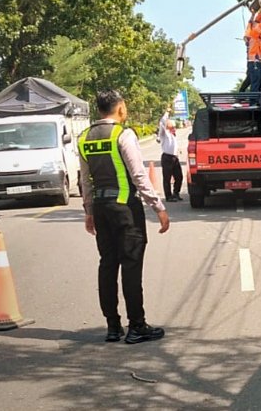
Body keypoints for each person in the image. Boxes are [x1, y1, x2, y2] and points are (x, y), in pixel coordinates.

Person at [79, 90, 170, 344]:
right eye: (125, 105)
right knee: (131, 265)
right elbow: (139, 176)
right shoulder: (123, 134)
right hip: (125, 209)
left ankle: (112, 326)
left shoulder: (84, 137)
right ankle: (137, 326)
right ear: (119, 108)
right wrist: (158, 207)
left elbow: (85, 180)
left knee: (107, 264)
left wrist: (88, 212)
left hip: (100, 208)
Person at [244, 7, 261, 99]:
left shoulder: (251, 31)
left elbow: (256, 20)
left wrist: (260, 10)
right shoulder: (254, 33)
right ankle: (253, 102)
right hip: (254, 63)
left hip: (257, 63)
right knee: (255, 83)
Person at [158, 114, 183, 202]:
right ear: (168, 127)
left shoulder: (173, 135)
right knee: (167, 178)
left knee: (179, 177)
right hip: (167, 158)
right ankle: (168, 196)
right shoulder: (164, 134)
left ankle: (176, 193)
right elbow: (162, 123)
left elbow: (173, 146)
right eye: (172, 126)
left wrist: (178, 151)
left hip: (175, 158)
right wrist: (166, 113)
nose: (174, 128)